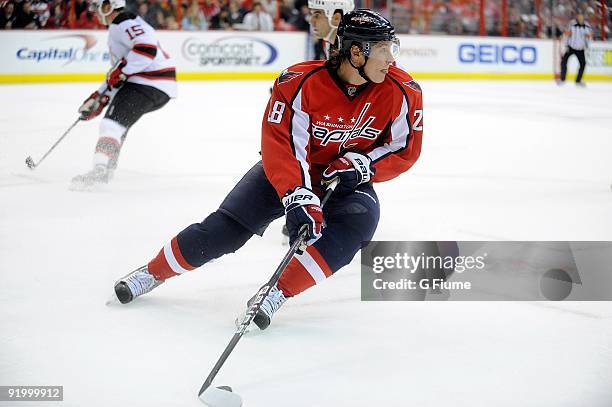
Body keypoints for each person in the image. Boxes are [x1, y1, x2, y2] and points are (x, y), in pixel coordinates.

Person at [113, 9, 423, 331]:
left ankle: (275, 292)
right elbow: (282, 145)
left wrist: (363, 164)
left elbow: (405, 148)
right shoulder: (298, 83)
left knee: (358, 224)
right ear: (357, 52)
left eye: (393, 47)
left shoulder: (403, 91)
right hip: (286, 174)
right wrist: (298, 195)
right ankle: (152, 272)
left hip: (345, 179)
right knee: (222, 234)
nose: (392, 58)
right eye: (385, 48)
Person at [71, 0, 176, 190]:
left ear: (109, 5)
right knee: (118, 125)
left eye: (97, 6)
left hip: (148, 83)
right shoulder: (125, 23)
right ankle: (106, 168)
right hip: (154, 84)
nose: (94, 11)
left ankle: (99, 173)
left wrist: (120, 73)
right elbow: (120, 71)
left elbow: (146, 50)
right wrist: (100, 96)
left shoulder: (123, 23)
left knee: (111, 124)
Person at [558, 12, 592, 87]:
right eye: (579, 16)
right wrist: (566, 45)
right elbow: (566, 35)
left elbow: (588, 37)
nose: (580, 18)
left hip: (580, 49)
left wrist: (587, 46)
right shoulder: (571, 24)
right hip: (571, 47)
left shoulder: (587, 26)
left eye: (581, 16)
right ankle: (562, 79)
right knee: (563, 62)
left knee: (583, 64)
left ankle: (578, 81)